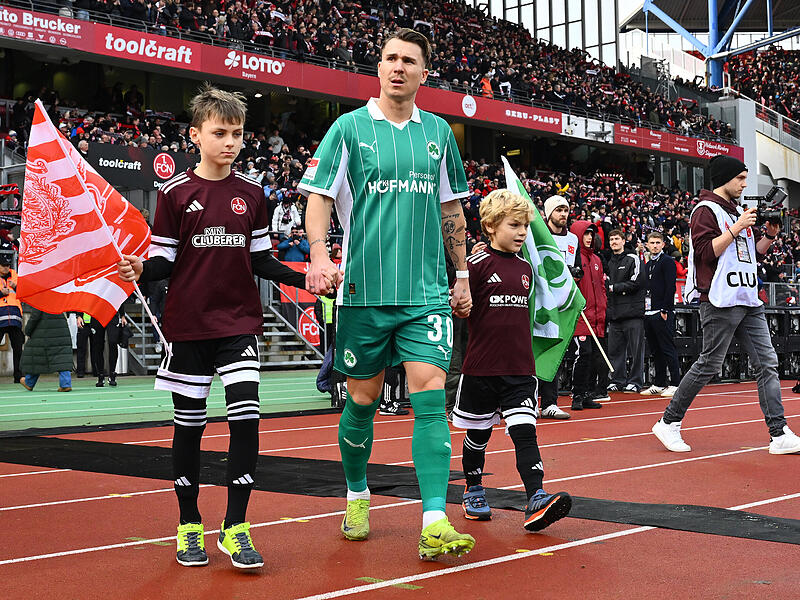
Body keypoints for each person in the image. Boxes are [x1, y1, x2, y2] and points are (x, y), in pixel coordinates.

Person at [117, 83, 317, 570]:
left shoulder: (252, 194)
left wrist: (309, 278)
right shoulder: (173, 193)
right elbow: (163, 260)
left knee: (246, 420)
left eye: (237, 133)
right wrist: (142, 269)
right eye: (220, 132)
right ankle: (188, 526)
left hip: (238, 324)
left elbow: (262, 261)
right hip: (186, 325)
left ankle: (236, 527)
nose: (230, 142)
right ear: (196, 135)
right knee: (190, 428)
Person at [300, 28, 476, 560]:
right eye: (390, 59)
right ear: (379, 68)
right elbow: (318, 196)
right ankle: (357, 494)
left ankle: (434, 518)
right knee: (362, 401)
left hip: (424, 293)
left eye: (409, 61)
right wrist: (319, 255)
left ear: (425, 74)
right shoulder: (349, 129)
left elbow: (452, 210)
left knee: (429, 399)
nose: (398, 67)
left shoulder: (440, 134)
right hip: (363, 293)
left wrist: (462, 274)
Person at [652, 155, 800, 455]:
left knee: (768, 363)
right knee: (709, 363)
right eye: (741, 179)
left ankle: (778, 432)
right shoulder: (705, 211)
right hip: (720, 298)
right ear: (724, 179)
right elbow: (705, 252)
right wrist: (737, 227)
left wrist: (769, 236)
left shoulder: (735, 212)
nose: (745, 184)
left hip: (747, 297)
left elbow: (752, 254)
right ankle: (669, 421)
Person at [453, 189, 572, 530]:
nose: (522, 232)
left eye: (524, 226)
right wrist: (457, 305)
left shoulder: (525, 268)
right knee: (478, 435)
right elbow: (458, 305)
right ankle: (473, 487)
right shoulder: (474, 266)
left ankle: (536, 497)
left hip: (520, 368)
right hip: (481, 368)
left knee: (525, 432)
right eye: (514, 225)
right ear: (490, 226)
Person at [537, 195, 580, 419]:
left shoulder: (573, 239)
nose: (563, 214)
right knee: (536, 349)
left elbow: (577, 268)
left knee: (555, 351)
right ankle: (529, 400)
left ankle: (549, 402)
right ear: (548, 213)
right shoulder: (537, 236)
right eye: (558, 210)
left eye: (566, 210)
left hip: (562, 303)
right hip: (539, 302)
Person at [569, 221, 607, 410]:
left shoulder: (597, 260)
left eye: (591, 234)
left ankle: (586, 394)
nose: (589, 237)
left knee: (593, 356)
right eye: (586, 234)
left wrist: (603, 306)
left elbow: (601, 287)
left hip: (596, 316)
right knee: (583, 354)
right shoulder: (573, 259)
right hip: (580, 316)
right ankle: (576, 394)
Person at [605, 229, 646, 393]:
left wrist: (614, 288)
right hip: (615, 315)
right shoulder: (608, 262)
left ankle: (636, 381)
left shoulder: (633, 259)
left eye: (617, 239)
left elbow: (637, 282)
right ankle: (617, 380)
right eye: (611, 239)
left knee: (636, 351)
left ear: (623, 241)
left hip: (633, 314)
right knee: (615, 351)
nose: (614, 242)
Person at [642, 232, 680, 397]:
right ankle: (659, 382)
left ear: (663, 244)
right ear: (647, 245)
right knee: (655, 349)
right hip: (649, 311)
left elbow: (670, 287)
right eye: (652, 243)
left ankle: (675, 383)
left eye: (658, 242)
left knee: (667, 348)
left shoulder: (667, 262)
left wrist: (665, 309)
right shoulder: (647, 264)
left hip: (662, 311)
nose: (655, 245)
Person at [19, 308, 73, 392]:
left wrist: (27, 331)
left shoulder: (40, 299)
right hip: (61, 331)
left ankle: (29, 382)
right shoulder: (59, 296)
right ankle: (65, 384)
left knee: (37, 357)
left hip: (43, 333)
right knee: (62, 358)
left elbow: (35, 317)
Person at [0, 253, 23, 383]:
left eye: (8, 265)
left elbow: (25, 293)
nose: (6, 268)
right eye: (3, 266)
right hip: (0, 318)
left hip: (15, 318)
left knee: (18, 348)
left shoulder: (15, 276)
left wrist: (17, 287)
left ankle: (18, 376)